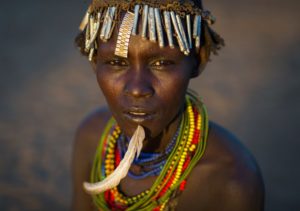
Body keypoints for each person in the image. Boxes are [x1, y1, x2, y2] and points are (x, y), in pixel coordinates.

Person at [71, 0, 265, 210]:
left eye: (161, 63)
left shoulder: (229, 180)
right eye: (116, 63)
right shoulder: (92, 138)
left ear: (198, 60)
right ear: (94, 61)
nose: (137, 89)